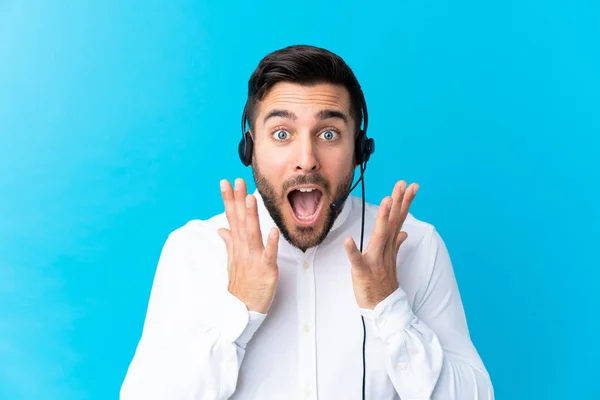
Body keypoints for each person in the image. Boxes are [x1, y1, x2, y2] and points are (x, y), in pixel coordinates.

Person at [120, 44, 494, 400]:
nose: (306, 159)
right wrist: (238, 309)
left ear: (359, 150)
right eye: (282, 134)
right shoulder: (195, 250)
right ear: (250, 149)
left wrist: (389, 304)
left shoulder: (415, 244)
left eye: (329, 134)